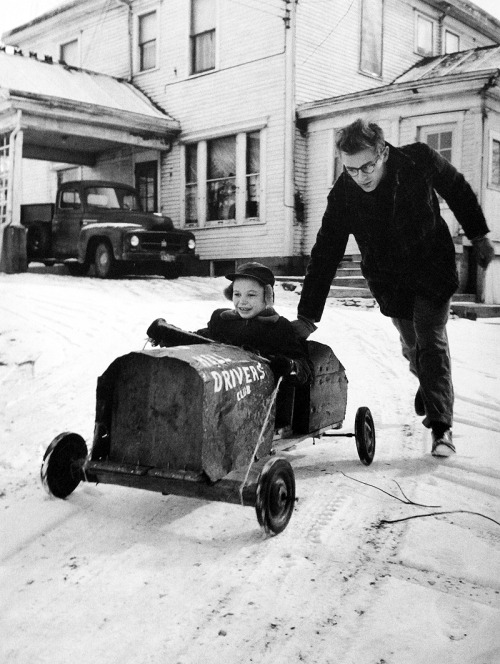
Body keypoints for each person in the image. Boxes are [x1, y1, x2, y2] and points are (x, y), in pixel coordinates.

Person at [292, 118, 494, 458]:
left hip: (432, 267)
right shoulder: (343, 195)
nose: (361, 176)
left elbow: (456, 187)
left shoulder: (419, 160)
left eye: (367, 166)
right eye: (351, 169)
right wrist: (308, 316)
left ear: (383, 153)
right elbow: (325, 252)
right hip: (391, 282)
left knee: (430, 340)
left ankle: (441, 426)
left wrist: (478, 234)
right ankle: (429, 385)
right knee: (412, 346)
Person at [147, 262, 313, 386]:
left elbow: (304, 368)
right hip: (220, 391)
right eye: (237, 294)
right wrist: (168, 334)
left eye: (251, 295)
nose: (242, 302)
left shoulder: (278, 327)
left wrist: (289, 365)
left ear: (267, 297)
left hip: (259, 399)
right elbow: (201, 341)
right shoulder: (222, 320)